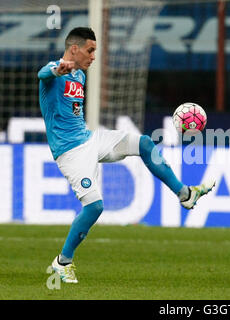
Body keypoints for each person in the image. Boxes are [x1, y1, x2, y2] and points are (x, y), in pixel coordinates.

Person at [38, 27, 215, 283]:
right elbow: (42, 74)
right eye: (90, 50)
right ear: (74, 48)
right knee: (95, 207)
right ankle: (62, 262)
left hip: (89, 139)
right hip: (70, 152)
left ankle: (184, 194)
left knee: (143, 143)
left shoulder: (80, 75)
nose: (93, 56)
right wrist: (57, 70)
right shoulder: (55, 70)